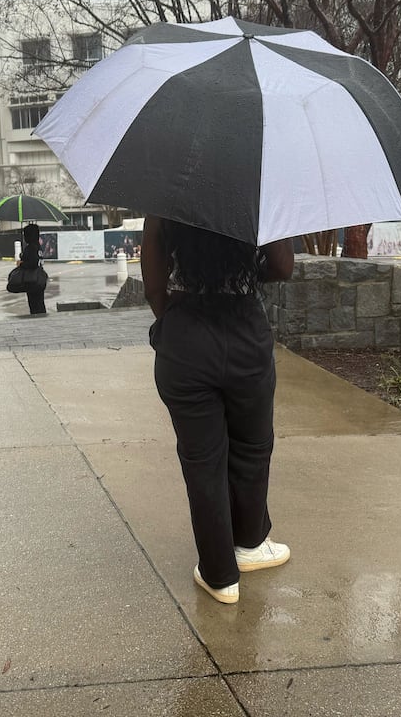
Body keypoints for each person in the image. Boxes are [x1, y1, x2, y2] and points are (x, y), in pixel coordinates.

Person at [142, 216, 295, 604]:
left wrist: (176, 327)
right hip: (245, 334)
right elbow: (282, 267)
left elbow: (154, 287)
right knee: (252, 446)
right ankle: (250, 544)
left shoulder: (166, 199)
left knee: (202, 461)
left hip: (185, 338)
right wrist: (249, 272)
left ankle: (219, 576)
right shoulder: (256, 200)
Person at [17, 223, 48, 315]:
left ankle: (38, 320)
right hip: (39, 278)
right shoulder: (38, 247)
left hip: (32, 279)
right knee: (39, 302)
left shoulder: (30, 247)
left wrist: (21, 263)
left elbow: (32, 263)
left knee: (34, 304)